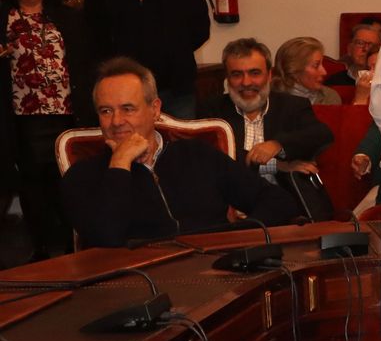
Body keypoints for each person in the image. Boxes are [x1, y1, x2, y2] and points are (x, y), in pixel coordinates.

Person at [60, 58, 297, 247]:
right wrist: (120, 163)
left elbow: (278, 202)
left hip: (215, 273)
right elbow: (106, 238)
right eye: (105, 111)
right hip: (139, 289)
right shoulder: (82, 176)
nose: (116, 121)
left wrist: (230, 240)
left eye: (128, 109)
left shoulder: (197, 155)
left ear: (154, 109)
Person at [2, 0, 97, 259]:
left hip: (67, 115)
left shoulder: (66, 17)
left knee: (68, 184)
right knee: (32, 186)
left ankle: (73, 245)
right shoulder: (4, 19)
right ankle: (42, 249)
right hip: (23, 118)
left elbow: (85, 64)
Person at [84, 0, 210, 116]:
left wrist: (173, 51)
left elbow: (199, 30)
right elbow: (94, 35)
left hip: (176, 86)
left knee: (180, 142)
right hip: (124, 89)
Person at [198, 38, 332, 177]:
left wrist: (278, 144)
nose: (246, 82)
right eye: (237, 74)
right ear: (227, 78)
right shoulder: (211, 109)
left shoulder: (292, 106)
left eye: (254, 73)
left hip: (279, 192)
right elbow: (215, 155)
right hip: (229, 193)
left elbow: (321, 134)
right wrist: (277, 166)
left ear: (269, 75)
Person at [272, 36, 341, 105]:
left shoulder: (329, 97)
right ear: (294, 70)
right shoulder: (268, 98)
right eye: (316, 66)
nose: (324, 72)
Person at [325, 21, 381, 87]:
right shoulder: (335, 82)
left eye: (371, 45)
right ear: (349, 49)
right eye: (360, 43)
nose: (366, 49)